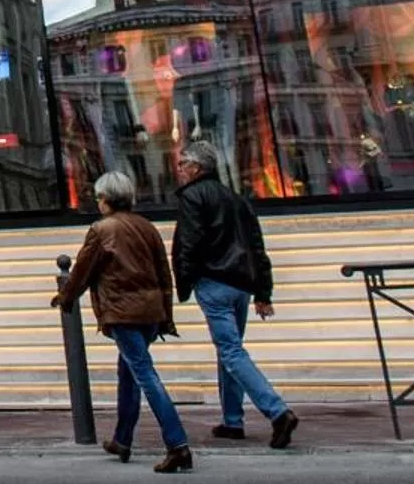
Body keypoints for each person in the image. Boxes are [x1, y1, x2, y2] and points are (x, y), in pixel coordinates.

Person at [54, 171, 191, 474]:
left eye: (99, 197)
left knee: (144, 375)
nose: (97, 202)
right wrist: (166, 315)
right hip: (150, 313)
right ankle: (122, 439)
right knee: (128, 373)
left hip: (123, 312)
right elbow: (164, 274)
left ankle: (177, 444)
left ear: (107, 199)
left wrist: (65, 297)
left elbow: (82, 271)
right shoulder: (147, 227)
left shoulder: (102, 230)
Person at [172, 141, 298, 450]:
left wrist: (184, 283)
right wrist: (263, 291)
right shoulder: (236, 199)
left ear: (196, 168)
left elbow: (189, 243)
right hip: (241, 284)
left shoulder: (193, 196)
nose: (179, 169)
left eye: (183, 164)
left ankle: (277, 412)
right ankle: (232, 420)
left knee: (230, 351)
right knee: (230, 350)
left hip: (213, 281)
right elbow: (256, 246)